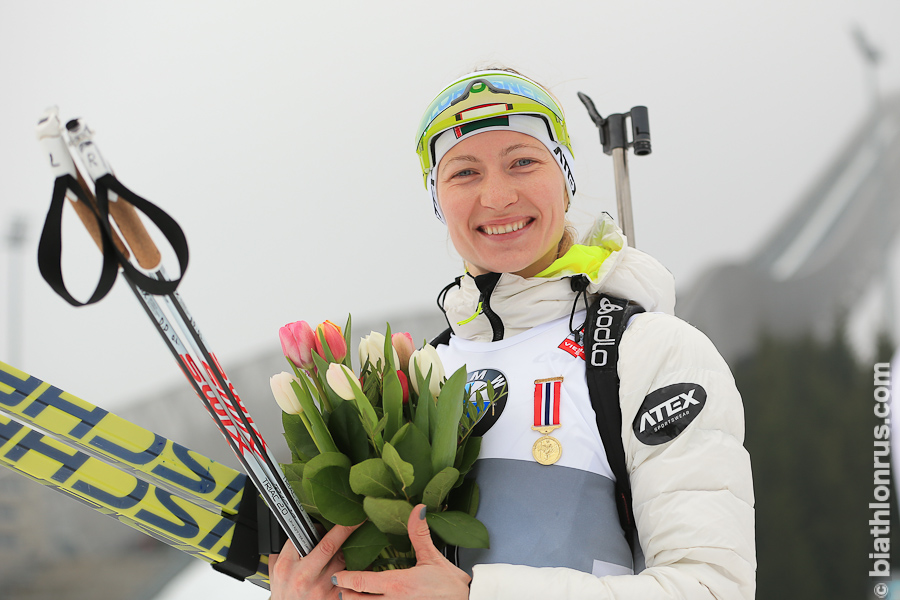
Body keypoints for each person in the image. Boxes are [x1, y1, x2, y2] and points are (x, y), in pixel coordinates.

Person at [269, 68, 756, 599]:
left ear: (565, 180)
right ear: (439, 201)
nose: (498, 196)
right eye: (464, 173)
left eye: (523, 161)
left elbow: (711, 588)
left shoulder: (650, 351)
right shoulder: (419, 376)